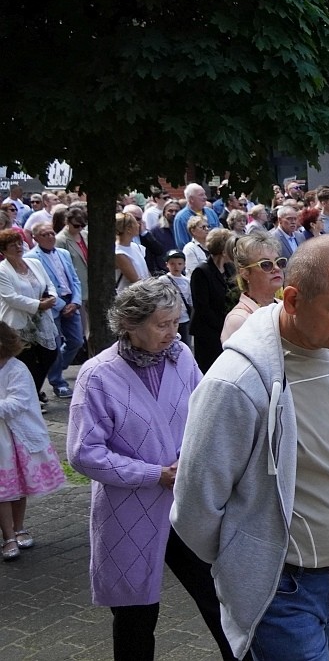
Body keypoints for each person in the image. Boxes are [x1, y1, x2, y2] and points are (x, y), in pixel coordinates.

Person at [171, 236, 329, 660]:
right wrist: (249, 560)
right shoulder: (235, 383)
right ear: (293, 300)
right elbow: (194, 507)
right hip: (282, 591)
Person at [67, 279, 238, 660]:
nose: (173, 333)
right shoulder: (97, 375)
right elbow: (83, 453)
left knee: (219, 601)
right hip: (129, 511)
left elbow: (202, 417)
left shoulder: (181, 356)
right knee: (136, 617)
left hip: (185, 503)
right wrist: (154, 474)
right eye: (163, 324)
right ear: (128, 323)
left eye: (177, 322)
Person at [0, 321, 66, 561]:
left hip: (15, 438)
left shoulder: (17, 369)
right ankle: (8, 535)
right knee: (2, 491)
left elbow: (19, 402)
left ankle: (18, 527)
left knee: (16, 487)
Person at [27, 222, 84, 398]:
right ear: (35, 238)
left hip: (71, 301)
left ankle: (58, 366)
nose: (51, 237)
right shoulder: (32, 258)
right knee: (55, 344)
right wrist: (60, 304)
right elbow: (42, 286)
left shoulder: (64, 253)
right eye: (45, 234)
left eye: (52, 233)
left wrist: (75, 302)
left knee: (77, 341)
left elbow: (75, 279)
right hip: (52, 304)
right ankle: (58, 381)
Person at [0, 229, 58, 400]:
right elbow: (11, 298)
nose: (18, 247)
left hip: (42, 320)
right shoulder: (2, 271)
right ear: (3, 250)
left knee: (50, 354)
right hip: (18, 322)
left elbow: (49, 284)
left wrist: (52, 298)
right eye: (13, 245)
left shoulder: (34, 263)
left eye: (19, 243)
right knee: (27, 360)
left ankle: (32, 393)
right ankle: (28, 397)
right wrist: (38, 305)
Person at [220, 233, 283, 343]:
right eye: (266, 264)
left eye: (279, 262)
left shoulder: (282, 307)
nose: (276, 268)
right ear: (245, 273)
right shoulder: (239, 319)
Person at [189, 228, 236, 373]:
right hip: (209, 334)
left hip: (226, 330)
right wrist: (224, 325)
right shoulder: (201, 272)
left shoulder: (230, 269)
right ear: (223, 251)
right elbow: (202, 307)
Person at [159, 251, 193, 346]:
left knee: (185, 343)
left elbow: (190, 300)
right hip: (167, 317)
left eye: (179, 264)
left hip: (184, 318)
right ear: (167, 265)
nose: (176, 267)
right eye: (172, 264)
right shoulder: (163, 280)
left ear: (184, 265)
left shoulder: (187, 281)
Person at [115, 211, 150, 293]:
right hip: (129, 297)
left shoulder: (136, 246)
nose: (138, 225)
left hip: (145, 293)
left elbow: (146, 273)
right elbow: (135, 280)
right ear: (128, 229)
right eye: (135, 223)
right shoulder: (118, 253)